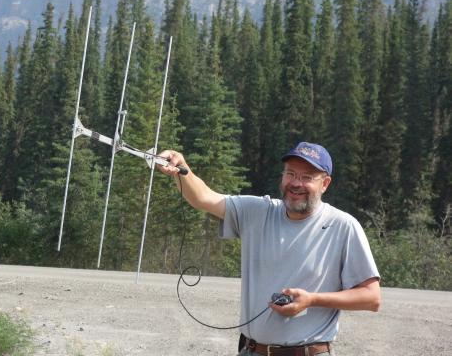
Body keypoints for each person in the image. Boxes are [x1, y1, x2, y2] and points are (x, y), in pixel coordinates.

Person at [158, 142, 381, 356]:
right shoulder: (258, 212)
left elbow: (371, 298)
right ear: (282, 176)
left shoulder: (343, 226)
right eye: (291, 174)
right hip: (251, 350)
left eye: (307, 177)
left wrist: (312, 299)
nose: (296, 183)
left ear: (325, 184)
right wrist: (181, 168)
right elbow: (204, 198)